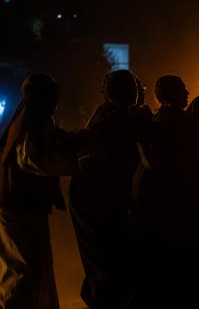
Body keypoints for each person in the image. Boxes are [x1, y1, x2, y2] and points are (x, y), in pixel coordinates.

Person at [0, 74, 75, 309]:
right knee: (23, 271)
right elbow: (34, 161)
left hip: (18, 202)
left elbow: (56, 138)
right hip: (17, 204)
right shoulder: (35, 120)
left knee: (26, 268)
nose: (56, 101)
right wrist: (74, 163)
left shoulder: (32, 116)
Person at [131, 75, 199, 307]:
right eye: (182, 89)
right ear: (169, 95)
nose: (188, 94)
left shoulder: (156, 120)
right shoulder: (181, 122)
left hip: (157, 195)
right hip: (175, 196)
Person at [68, 70, 146, 309]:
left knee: (109, 256)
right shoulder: (115, 118)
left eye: (135, 86)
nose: (135, 91)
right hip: (96, 196)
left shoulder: (113, 115)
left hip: (101, 194)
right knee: (105, 257)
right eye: (129, 87)